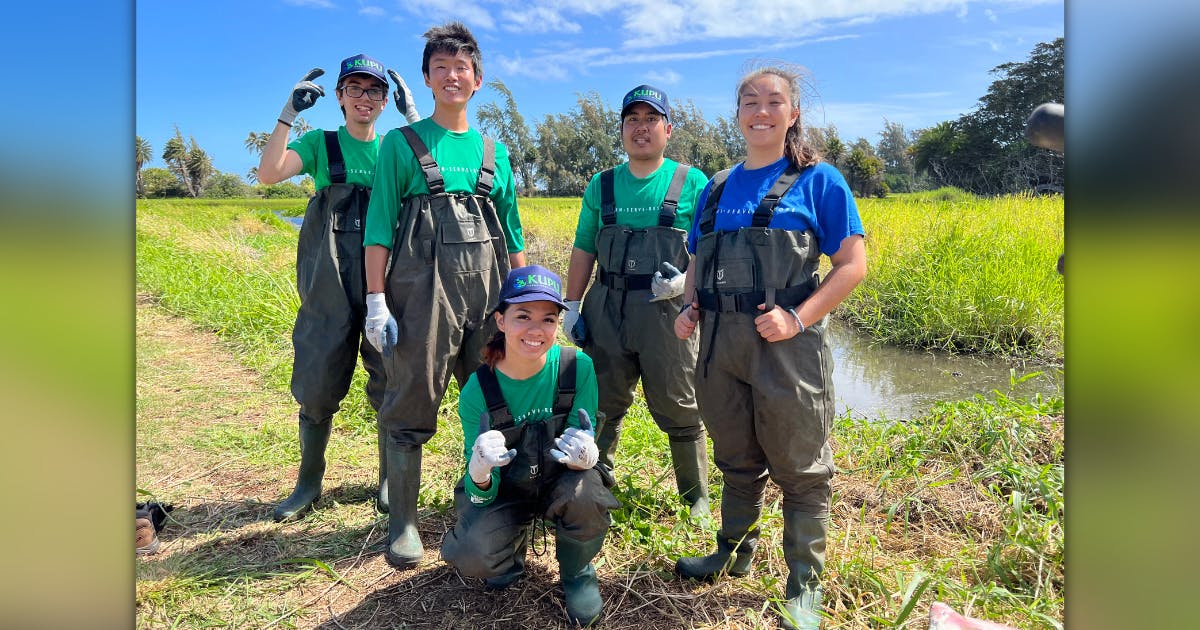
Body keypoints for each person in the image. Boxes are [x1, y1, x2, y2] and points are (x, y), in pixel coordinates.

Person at [671, 65, 867, 630]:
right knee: (735, 459)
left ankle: (804, 586)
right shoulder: (714, 186)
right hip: (719, 351)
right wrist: (690, 308)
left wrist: (798, 319)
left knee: (802, 471)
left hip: (786, 350)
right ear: (737, 114)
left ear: (793, 113)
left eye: (774, 101)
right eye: (749, 101)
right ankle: (732, 552)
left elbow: (852, 266)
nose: (761, 110)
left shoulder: (819, 180)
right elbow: (695, 261)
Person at [362, 22, 527, 569]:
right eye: (441, 68)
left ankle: (481, 508)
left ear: (477, 80)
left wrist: (523, 305)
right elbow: (380, 226)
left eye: (462, 68)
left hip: (486, 292)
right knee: (410, 396)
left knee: (493, 400)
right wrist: (375, 299)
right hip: (419, 291)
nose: (452, 76)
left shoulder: (493, 152)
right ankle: (403, 523)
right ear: (428, 79)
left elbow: (514, 234)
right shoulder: (400, 144)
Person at [257, 53, 420, 522]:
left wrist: (414, 120)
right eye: (355, 89)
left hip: (385, 275)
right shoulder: (320, 145)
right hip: (327, 276)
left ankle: (389, 481)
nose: (364, 98)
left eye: (374, 91)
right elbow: (268, 174)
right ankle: (308, 483)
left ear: (385, 101)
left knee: (391, 376)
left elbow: (435, 180)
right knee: (318, 375)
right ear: (340, 98)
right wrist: (288, 114)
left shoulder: (396, 147)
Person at [561, 84, 712, 518]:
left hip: (667, 312)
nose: (641, 128)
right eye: (633, 120)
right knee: (602, 398)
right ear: (623, 130)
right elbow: (583, 248)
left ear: (668, 128)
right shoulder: (602, 185)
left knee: (679, 399)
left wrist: (686, 283)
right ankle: (595, 479)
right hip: (607, 306)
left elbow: (708, 247)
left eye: (650, 120)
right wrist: (571, 306)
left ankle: (695, 497)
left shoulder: (691, 181)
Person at [441, 265, 618, 627]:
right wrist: (480, 469)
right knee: (474, 552)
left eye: (549, 319)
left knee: (588, 496)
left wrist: (586, 454)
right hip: (508, 490)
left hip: (560, 481)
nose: (537, 330)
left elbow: (581, 441)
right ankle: (509, 547)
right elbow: (478, 494)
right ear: (501, 320)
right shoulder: (479, 390)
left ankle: (577, 572)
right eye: (523, 316)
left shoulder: (576, 367)